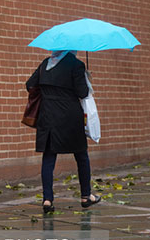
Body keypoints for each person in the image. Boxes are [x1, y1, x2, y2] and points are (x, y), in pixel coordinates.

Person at [26, 50, 101, 213]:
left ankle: (47, 199)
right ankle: (86, 196)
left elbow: (29, 85)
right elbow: (83, 93)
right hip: (70, 117)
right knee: (81, 155)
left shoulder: (45, 64)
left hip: (47, 117)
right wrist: (85, 77)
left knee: (48, 157)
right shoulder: (76, 65)